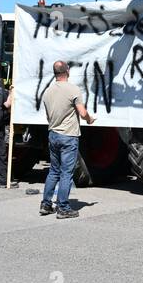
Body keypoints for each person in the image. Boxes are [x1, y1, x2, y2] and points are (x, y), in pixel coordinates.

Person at [40, 60, 95, 219]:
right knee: (66, 173)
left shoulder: (48, 92)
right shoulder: (73, 89)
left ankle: (46, 204)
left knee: (53, 171)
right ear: (68, 71)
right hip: (68, 136)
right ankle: (63, 207)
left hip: (53, 134)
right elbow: (82, 112)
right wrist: (89, 119)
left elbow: (48, 115)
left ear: (55, 72)